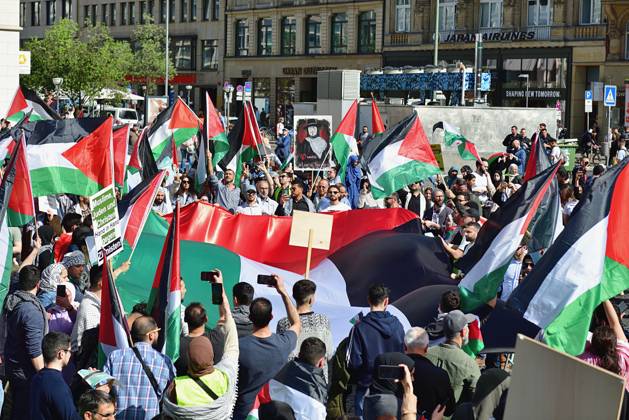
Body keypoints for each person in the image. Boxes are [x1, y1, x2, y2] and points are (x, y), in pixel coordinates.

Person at [162, 270, 240, 419]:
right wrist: (218, 287)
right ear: (206, 319)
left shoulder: (174, 352)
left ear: (184, 320)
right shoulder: (224, 378)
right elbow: (226, 316)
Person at [233, 275, 302, 419]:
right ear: (271, 317)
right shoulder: (283, 343)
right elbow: (296, 322)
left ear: (250, 318)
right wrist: (282, 290)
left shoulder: (238, 347)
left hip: (243, 412)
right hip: (274, 412)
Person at [348, 284, 405, 416]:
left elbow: (353, 362)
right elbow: (402, 354)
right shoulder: (398, 325)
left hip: (367, 386)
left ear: (368, 300)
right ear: (386, 301)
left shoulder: (359, 327)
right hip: (392, 388)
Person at [104, 316, 175, 419]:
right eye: (157, 331)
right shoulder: (165, 362)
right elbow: (171, 395)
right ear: (151, 335)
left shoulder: (114, 356)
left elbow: (104, 388)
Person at [2, 266, 47, 420]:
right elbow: (34, 350)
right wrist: (45, 375)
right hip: (25, 373)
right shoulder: (31, 312)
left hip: (13, 365)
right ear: (38, 284)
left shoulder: (12, 298)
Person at [427, 310, 481, 403]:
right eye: (467, 327)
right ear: (463, 332)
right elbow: (476, 399)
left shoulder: (426, 353)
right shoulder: (469, 364)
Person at [276, 279, 333, 362]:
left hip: (292, 372)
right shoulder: (323, 320)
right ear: (311, 300)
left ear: (294, 296)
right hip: (317, 373)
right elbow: (329, 353)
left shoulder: (283, 323)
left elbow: (281, 353)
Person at [404, 327, 456, 417]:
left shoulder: (395, 369)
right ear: (426, 348)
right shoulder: (439, 375)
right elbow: (449, 410)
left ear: (405, 347)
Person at [29, 332, 80, 420]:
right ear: (61, 354)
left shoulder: (37, 377)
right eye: (69, 351)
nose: (70, 354)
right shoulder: (56, 384)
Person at [363, 352, 415, 420]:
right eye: (410, 375)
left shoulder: (373, 394)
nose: (413, 379)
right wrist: (409, 390)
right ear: (397, 375)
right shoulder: (390, 407)